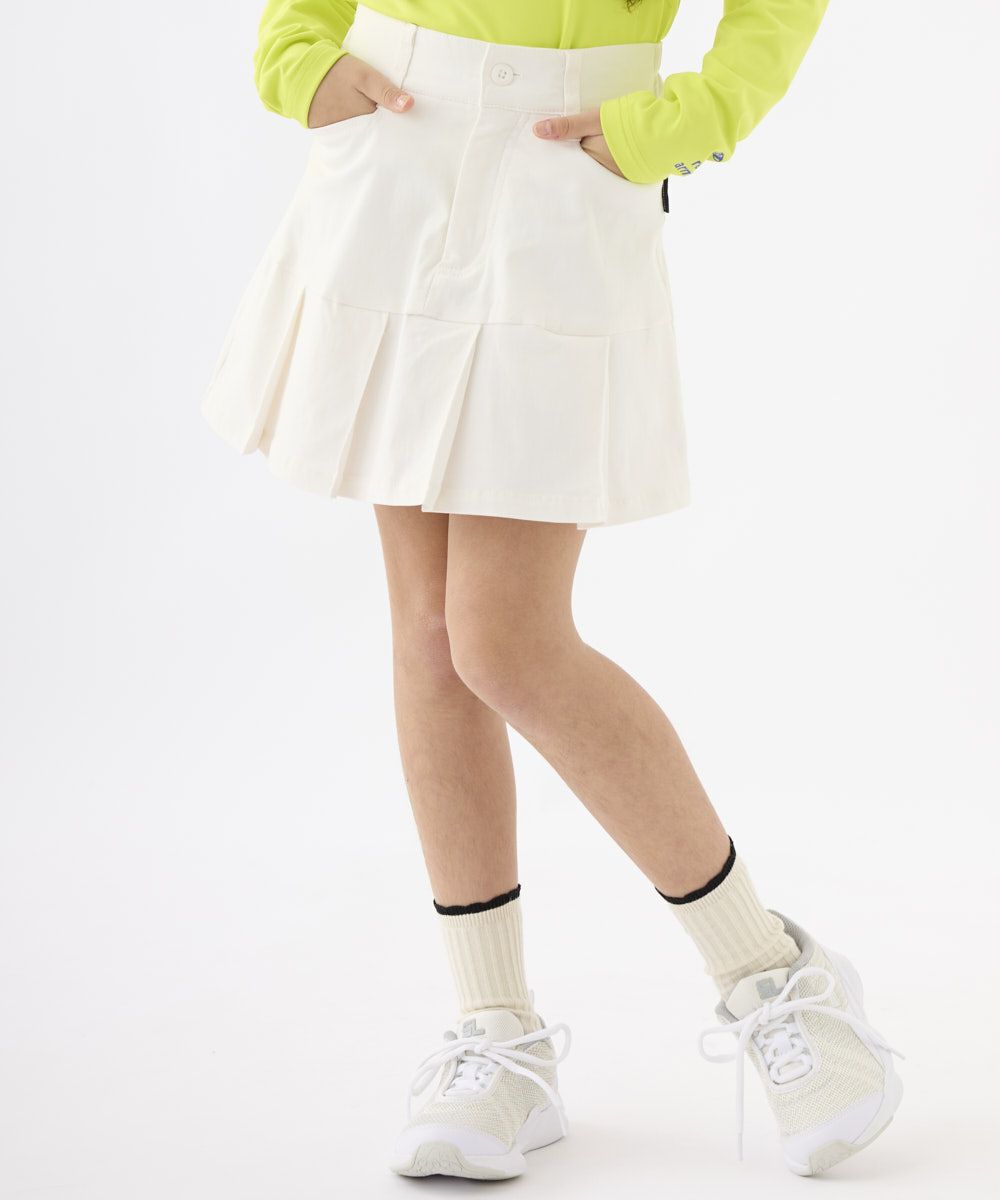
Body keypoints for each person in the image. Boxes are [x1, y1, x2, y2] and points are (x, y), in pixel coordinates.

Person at [201, 0, 902, 1181]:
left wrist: (703, 110)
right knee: (433, 638)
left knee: (504, 640)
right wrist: (296, 50)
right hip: (395, 134)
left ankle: (773, 976)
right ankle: (498, 1036)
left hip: (568, 150)